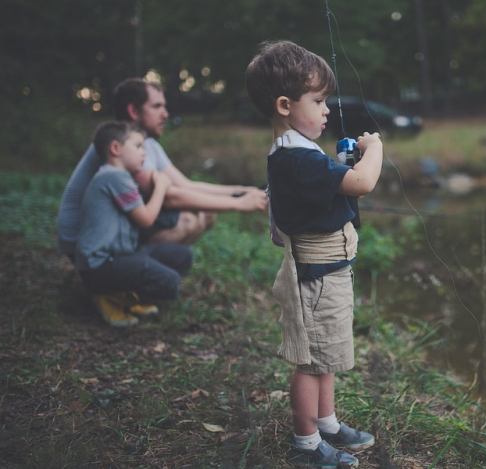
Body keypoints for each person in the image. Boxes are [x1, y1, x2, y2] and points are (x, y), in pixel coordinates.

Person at [245, 40, 383, 468]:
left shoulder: (299, 152)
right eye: (319, 100)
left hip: (330, 270)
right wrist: (374, 149)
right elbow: (361, 183)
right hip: (318, 276)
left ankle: (327, 422)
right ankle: (306, 446)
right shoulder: (295, 158)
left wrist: (343, 162)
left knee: (326, 356)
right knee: (310, 362)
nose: (327, 109)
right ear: (285, 104)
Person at [56, 77, 268, 257]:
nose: (165, 114)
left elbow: (186, 184)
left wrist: (242, 191)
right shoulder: (123, 149)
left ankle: (148, 275)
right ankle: (130, 281)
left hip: (112, 230)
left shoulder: (145, 144)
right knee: (188, 219)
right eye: (157, 107)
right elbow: (171, 196)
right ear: (133, 111)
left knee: (206, 213)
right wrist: (241, 205)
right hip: (84, 242)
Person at [76, 121, 193, 327]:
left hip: (121, 256)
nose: (144, 153)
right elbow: (146, 218)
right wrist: (162, 186)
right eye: (138, 146)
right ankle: (107, 296)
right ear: (115, 149)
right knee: (170, 281)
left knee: (182, 256)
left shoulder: (118, 176)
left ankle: (123, 294)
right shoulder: (114, 176)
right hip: (100, 266)